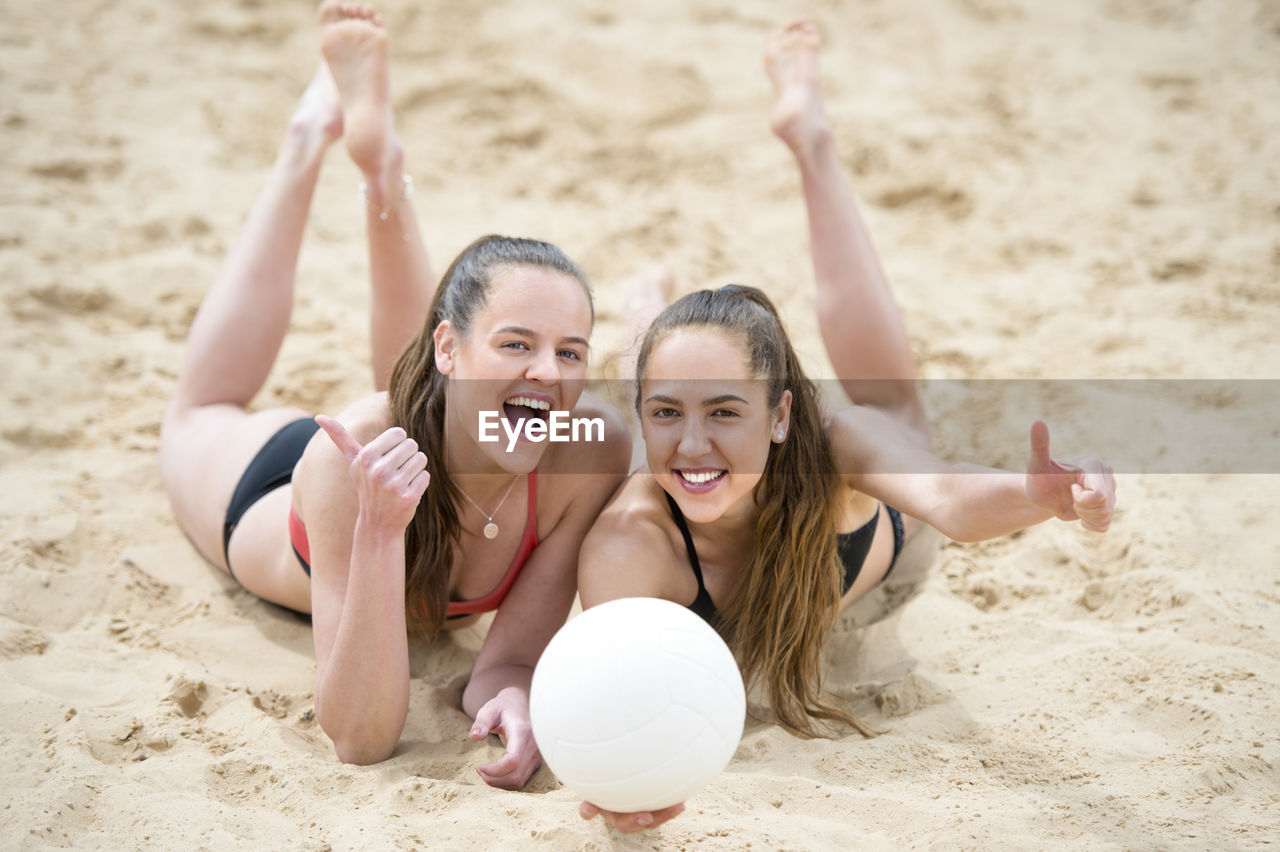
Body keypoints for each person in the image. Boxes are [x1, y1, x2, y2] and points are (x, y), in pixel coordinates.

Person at [576, 19, 1116, 833]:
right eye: (669, 415)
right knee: (663, 384)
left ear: (782, 413)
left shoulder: (831, 444)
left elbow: (955, 502)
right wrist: (619, 781)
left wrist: (1037, 494)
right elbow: (610, 694)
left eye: (728, 413)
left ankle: (812, 140)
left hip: (882, 535)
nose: (691, 445)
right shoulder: (628, 542)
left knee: (891, 410)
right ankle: (646, 315)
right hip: (717, 449)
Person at [159, 3, 630, 787]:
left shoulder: (592, 452)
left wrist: (513, 700)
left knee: (428, 409)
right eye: (518, 343)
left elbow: (507, 658)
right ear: (449, 343)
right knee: (200, 409)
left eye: (570, 352)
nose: (549, 371)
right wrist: (380, 532)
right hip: (276, 493)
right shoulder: (351, 455)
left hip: (418, 431)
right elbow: (361, 738)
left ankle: (382, 173)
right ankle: (307, 140)